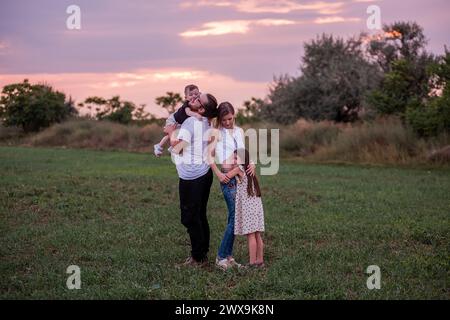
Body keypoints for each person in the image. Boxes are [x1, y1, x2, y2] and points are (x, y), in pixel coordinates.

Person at [165, 93, 218, 267]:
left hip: (192, 177)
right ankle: (202, 254)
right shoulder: (205, 122)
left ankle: (197, 258)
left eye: (197, 100)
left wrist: (171, 132)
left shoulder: (191, 122)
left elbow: (179, 148)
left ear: (201, 109)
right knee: (200, 215)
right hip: (204, 174)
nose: (192, 99)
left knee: (189, 218)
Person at [207, 102, 255, 271]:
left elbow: (242, 152)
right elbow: (209, 156)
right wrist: (219, 174)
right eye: (224, 119)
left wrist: (252, 163)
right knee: (235, 218)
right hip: (228, 178)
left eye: (230, 118)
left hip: (241, 177)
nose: (227, 122)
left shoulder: (239, 131)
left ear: (234, 114)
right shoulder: (216, 133)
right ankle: (221, 257)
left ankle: (228, 256)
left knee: (233, 218)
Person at [233, 148, 265, 268]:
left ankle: (252, 264)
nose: (234, 160)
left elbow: (226, 176)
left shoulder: (239, 169)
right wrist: (252, 163)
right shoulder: (250, 169)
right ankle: (260, 261)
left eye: (236, 158)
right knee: (257, 235)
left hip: (248, 207)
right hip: (256, 205)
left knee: (251, 235)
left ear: (242, 159)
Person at [154, 84, 202, 157]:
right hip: (173, 120)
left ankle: (173, 147)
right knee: (170, 134)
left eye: (196, 94)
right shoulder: (187, 104)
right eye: (191, 95)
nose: (194, 96)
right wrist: (196, 115)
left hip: (180, 123)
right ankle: (159, 146)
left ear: (199, 94)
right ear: (186, 97)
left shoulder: (197, 104)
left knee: (179, 135)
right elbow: (188, 112)